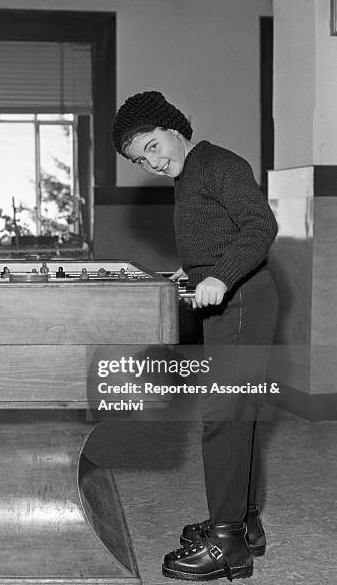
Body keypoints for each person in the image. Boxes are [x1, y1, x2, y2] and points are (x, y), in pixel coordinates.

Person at [112, 91, 278, 581]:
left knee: (222, 417)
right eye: (141, 159)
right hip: (228, 299)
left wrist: (220, 277)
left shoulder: (218, 163)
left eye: (153, 146)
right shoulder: (190, 175)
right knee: (238, 411)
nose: (153, 162)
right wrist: (189, 270)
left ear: (174, 127)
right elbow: (214, 235)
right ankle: (242, 523)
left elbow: (260, 225)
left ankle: (228, 544)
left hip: (243, 297)